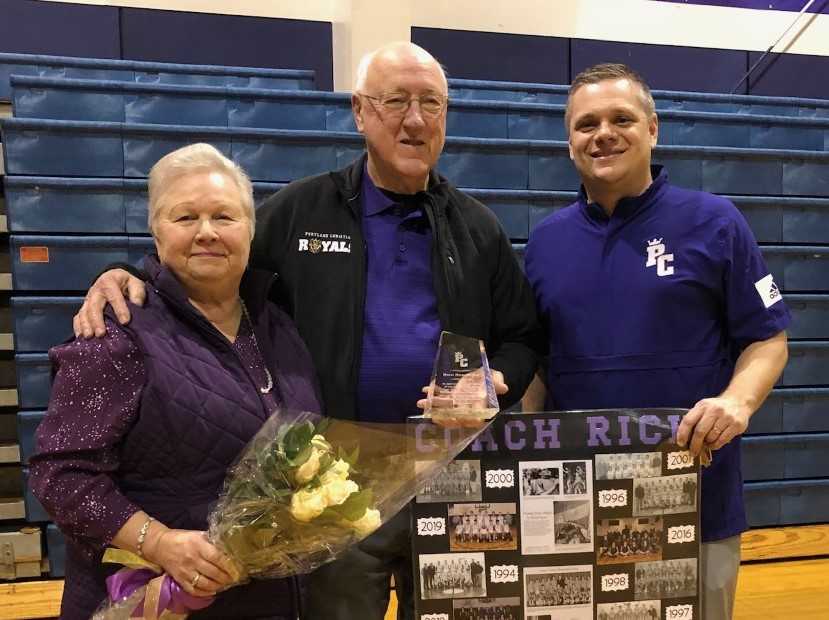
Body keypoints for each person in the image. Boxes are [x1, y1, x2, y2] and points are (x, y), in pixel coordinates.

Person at [72, 42, 540, 619]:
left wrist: (497, 380)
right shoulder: (299, 213)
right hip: (333, 492)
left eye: (431, 104)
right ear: (360, 112)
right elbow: (210, 258)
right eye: (395, 101)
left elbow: (522, 338)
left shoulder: (478, 227)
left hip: (451, 481)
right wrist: (117, 274)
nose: (414, 119)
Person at [523, 63, 790, 620]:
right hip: (574, 503)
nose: (603, 133)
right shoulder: (545, 242)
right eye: (586, 123)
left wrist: (736, 403)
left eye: (622, 118)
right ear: (569, 140)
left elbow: (767, 340)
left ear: (653, 129)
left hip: (694, 498)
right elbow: (536, 369)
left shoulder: (716, 222)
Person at [30, 144, 321, 620]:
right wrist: (160, 543)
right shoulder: (117, 330)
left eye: (224, 217)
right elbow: (59, 476)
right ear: (156, 232)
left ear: (251, 230)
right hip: (154, 602)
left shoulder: (280, 328)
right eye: (185, 218)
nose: (206, 232)